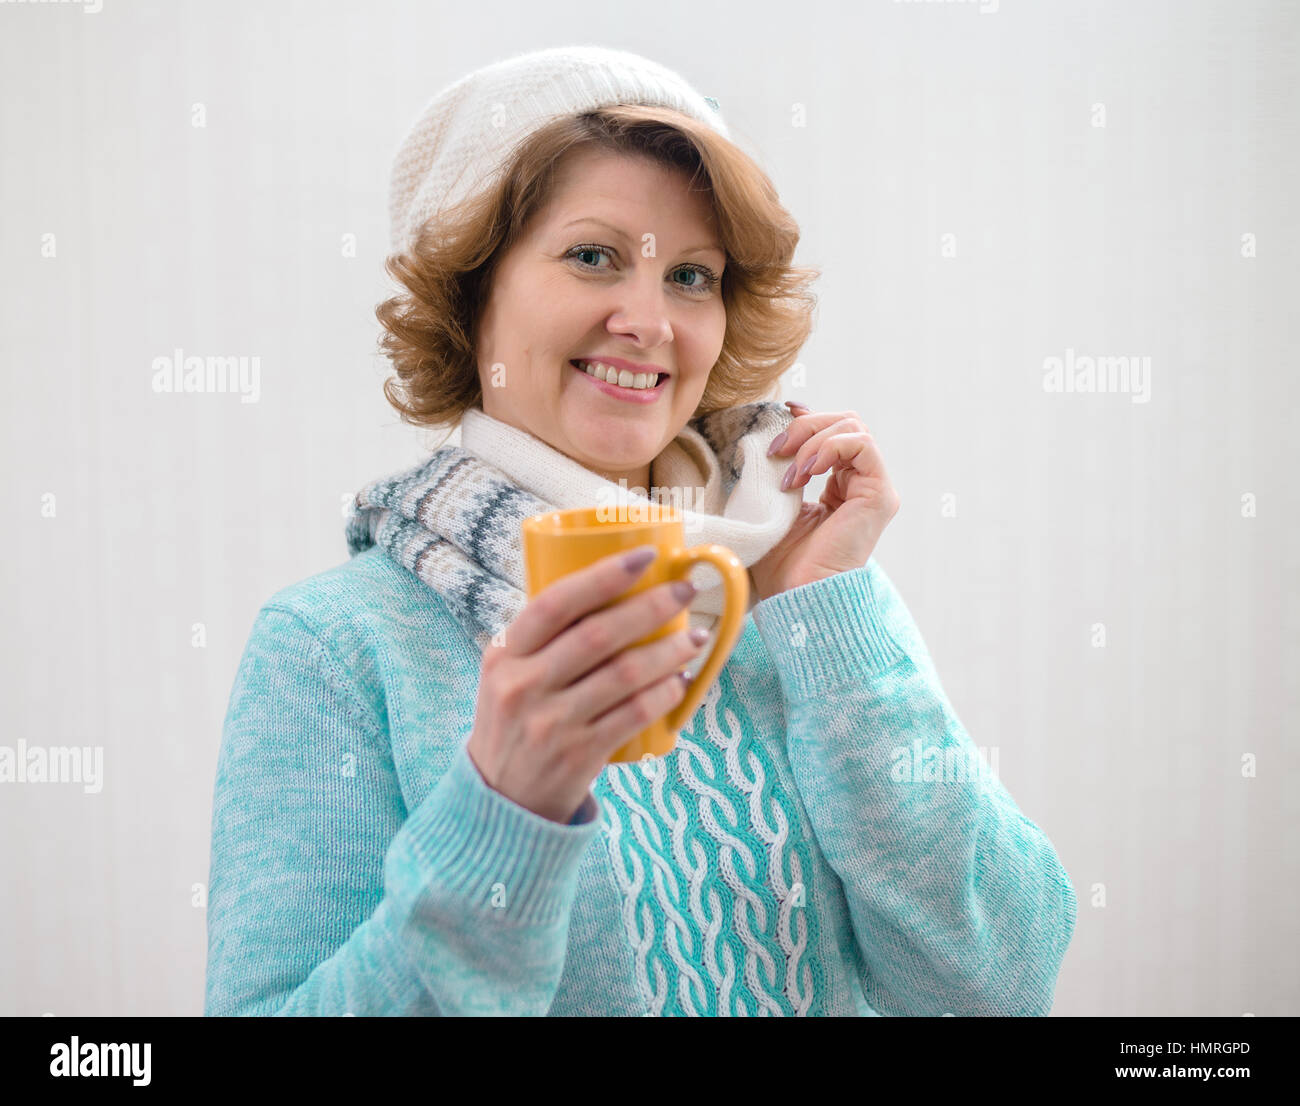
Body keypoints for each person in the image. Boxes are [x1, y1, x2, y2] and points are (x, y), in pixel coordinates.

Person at [204, 44, 1076, 1017]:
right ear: (471, 289)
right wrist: (502, 814)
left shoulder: (795, 589)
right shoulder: (336, 649)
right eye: (592, 256)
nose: (649, 320)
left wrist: (832, 617)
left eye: (692, 275)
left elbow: (1001, 982)